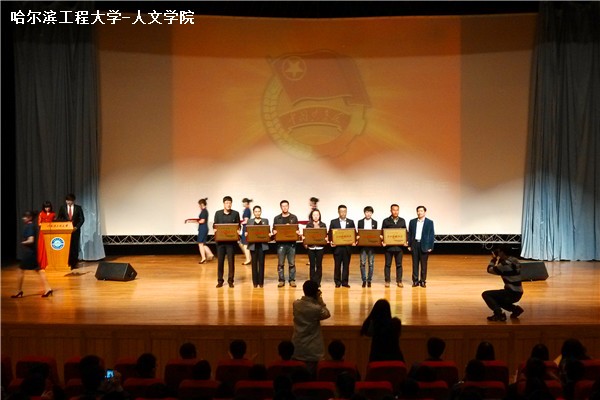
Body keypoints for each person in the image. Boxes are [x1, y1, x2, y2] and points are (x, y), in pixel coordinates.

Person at [292, 280, 331, 376]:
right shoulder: (316, 308)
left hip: (298, 346)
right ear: (316, 292)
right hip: (313, 350)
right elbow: (326, 313)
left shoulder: (296, 304)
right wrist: (320, 300)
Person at [12, 211, 53, 298]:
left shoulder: (29, 226)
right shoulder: (32, 226)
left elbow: (31, 240)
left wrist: (23, 242)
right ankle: (48, 288)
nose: (23, 218)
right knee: (39, 270)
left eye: (25, 217)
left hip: (29, 253)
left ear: (29, 218)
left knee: (20, 270)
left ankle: (19, 291)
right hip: (32, 252)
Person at [481, 246, 524, 321]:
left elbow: (490, 270)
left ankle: (499, 314)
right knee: (498, 298)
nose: (497, 253)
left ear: (502, 252)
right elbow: (501, 266)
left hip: (511, 293)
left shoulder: (504, 265)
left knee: (486, 294)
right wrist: (499, 258)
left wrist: (494, 259)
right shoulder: (515, 260)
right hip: (518, 292)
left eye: (499, 251)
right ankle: (515, 309)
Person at [213, 196, 240, 288]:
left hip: (231, 243)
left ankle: (230, 281)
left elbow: (238, 226)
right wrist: (215, 229)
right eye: (226, 203)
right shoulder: (218, 213)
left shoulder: (235, 213)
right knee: (220, 262)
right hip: (220, 243)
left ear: (231, 204)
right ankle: (220, 280)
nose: (228, 204)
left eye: (230, 203)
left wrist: (238, 231)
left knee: (231, 262)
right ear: (224, 204)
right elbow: (215, 225)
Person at [273, 200, 299, 288]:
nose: (285, 207)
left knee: (292, 263)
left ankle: (292, 280)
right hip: (281, 244)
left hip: (291, 244)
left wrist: (296, 231)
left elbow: (296, 229)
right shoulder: (277, 218)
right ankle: (281, 280)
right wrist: (274, 232)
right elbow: (274, 229)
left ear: (288, 206)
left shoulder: (294, 218)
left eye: (286, 206)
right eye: (283, 206)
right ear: (281, 207)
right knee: (280, 263)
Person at [408, 205, 435, 288]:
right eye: (418, 211)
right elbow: (410, 234)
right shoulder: (412, 222)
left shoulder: (429, 222)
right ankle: (415, 281)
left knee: (424, 265)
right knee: (415, 264)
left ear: (425, 212)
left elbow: (431, 235)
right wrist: (409, 245)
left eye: (421, 211)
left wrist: (430, 246)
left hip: (424, 245)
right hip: (415, 244)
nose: (419, 212)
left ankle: (423, 281)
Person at [329, 205, 356, 288]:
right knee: (337, 266)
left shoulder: (351, 222)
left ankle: (345, 282)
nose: (343, 213)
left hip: (347, 248)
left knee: (346, 266)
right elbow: (330, 234)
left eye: (344, 211)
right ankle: (337, 282)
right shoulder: (333, 222)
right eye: (341, 211)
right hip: (337, 248)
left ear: (346, 212)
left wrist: (353, 241)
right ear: (338, 212)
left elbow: (354, 233)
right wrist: (331, 242)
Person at [56, 193, 85, 270]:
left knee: (74, 247)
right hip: (65, 231)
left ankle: (74, 263)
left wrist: (76, 227)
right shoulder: (62, 208)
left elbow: (82, 219)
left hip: (75, 230)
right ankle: (67, 262)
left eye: (70, 200)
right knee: (66, 246)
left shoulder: (78, 208)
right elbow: (59, 218)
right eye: (67, 200)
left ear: (73, 201)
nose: (68, 202)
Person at [381, 204, 407, 287]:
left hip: (399, 247)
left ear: (398, 211)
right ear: (391, 211)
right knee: (387, 265)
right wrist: (383, 240)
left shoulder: (402, 220)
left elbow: (405, 232)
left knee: (399, 265)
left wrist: (405, 241)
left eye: (397, 210)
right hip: (388, 247)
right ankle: (387, 281)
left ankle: (399, 281)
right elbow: (382, 233)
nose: (395, 211)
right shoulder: (386, 221)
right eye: (394, 210)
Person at [246, 205, 269, 288]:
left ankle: (261, 282)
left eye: (259, 211)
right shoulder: (250, 221)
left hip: (262, 246)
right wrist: (246, 234)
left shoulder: (265, 221)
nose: (257, 213)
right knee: (254, 264)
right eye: (256, 211)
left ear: (261, 212)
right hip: (253, 245)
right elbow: (247, 231)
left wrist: (269, 234)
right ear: (253, 212)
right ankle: (255, 283)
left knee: (262, 264)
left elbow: (268, 231)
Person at [303, 209, 327, 286]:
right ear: (312, 216)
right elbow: (306, 235)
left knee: (319, 265)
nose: (316, 216)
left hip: (320, 248)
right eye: (314, 215)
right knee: (312, 265)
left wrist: (326, 239)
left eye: (317, 215)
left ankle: (318, 282)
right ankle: (312, 282)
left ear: (319, 216)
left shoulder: (323, 225)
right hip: (311, 248)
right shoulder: (308, 225)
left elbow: (325, 235)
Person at [357, 206, 377, 288]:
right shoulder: (360, 222)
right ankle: (364, 280)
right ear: (364, 213)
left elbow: (375, 234)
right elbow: (359, 233)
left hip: (371, 246)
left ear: (372, 213)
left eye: (370, 212)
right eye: (367, 212)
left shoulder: (375, 222)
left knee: (371, 264)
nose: (368, 214)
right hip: (363, 246)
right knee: (362, 263)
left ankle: (369, 280)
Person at [37, 200, 56, 270]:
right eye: (46, 207)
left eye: (48, 207)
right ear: (44, 208)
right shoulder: (41, 214)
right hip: (43, 232)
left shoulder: (53, 214)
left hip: (50, 232)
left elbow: (55, 223)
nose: (47, 209)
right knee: (42, 247)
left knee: (49, 247)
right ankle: (42, 263)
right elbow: (39, 223)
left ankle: (50, 263)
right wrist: (46, 224)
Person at [196, 198, 215, 264]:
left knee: (200, 243)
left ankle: (203, 258)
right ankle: (210, 254)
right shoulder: (205, 211)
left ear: (202, 204)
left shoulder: (204, 211)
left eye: (199, 205)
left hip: (203, 228)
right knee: (203, 244)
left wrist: (196, 221)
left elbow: (202, 221)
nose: (199, 206)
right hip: (203, 228)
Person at [239, 198, 252, 265]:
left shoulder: (247, 210)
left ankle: (248, 259)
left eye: (243, 202)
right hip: (245, 228)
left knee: (245, 244)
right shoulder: (247, 210)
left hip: (245, 228)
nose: (243, 204)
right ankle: (249, 258)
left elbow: (246, 221)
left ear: (246, 203)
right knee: (242, 243)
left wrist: (240, 222)